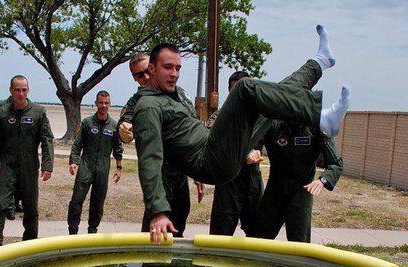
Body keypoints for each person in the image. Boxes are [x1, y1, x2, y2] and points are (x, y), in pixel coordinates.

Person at [130, 25, 350, 244]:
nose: (174, 74)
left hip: (216, 150)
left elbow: (180, 141)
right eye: (168, 67)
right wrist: (158, 211)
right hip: (211, 159)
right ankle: (319, 117)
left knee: (272, 104)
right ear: (151, 69)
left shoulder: (174, 96)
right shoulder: (148, 106)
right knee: (244, 89)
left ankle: (319, 62)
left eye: (178, 68)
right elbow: (150, 159)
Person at [118, 53, 204, 236]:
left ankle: (174, 264)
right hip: (159, 173)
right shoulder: (139, 100)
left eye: (147, 71)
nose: (146, 77)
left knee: (179, 220)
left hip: (180, 169)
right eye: (139, 75)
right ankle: (151, 264)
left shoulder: (178, 94)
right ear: (135, 78)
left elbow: (192, 129)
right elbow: (125, 126)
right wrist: (124, 130)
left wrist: (197, 172)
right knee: (155, 226)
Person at [0, 75, 54, 249]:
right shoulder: (2, 112)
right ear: (11, 91)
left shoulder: (38, 112)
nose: (21, 93)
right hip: (8, 165)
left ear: (28, 91)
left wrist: (48, 165)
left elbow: (47, 139)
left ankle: (28, 247)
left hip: (29, 166)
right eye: (17, 90)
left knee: (31, 209)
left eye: (24, 90)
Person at [250, 120, 343, 243]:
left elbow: (336, 163)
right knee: (258, 239)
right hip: (275, 190)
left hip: (301, 191)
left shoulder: (317, 127)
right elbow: (252, 145)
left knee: (300, 243)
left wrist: (322, 181)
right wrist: (252, 152)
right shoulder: (273, 124)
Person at [208, 71, 264, 236]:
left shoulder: (259, 117)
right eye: (236, 90)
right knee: (220, 235)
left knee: (257, 234)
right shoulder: (219, 117)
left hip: (252, 180)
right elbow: (212, 145)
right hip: (228, 181)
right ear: (229, 89)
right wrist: (244, 154)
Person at [67, 90, 123, 234]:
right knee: (76, 201)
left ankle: (92, 232)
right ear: (96, 103)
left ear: (110, 104)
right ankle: (72, 232)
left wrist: (119, 168)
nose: (103, 106)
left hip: (103, 168)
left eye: (106, 103)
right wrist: (74, 161)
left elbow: (118, 148)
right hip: (86, 165)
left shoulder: (114, 126)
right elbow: (77, 144)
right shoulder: (87, 123)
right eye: (101, 102)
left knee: (98, 204)